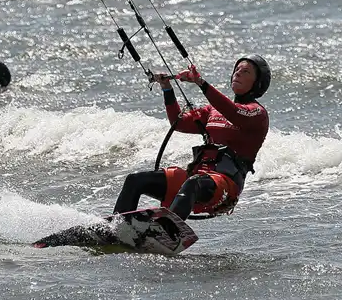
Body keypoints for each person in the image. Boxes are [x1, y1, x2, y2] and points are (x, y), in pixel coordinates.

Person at [113, 55, 271, 220]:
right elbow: (178, 122)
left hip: (226, 185)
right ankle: (115, 228)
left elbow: (233, 112)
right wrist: (167, 88)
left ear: (257, 83)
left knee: (193, 183)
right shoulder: (212, 111)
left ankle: (167, 230)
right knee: (135, 180)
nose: (237, 74)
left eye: (245, 72)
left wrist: (201, 82)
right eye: (236, 70)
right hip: (197, 177)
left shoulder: (257, 113)